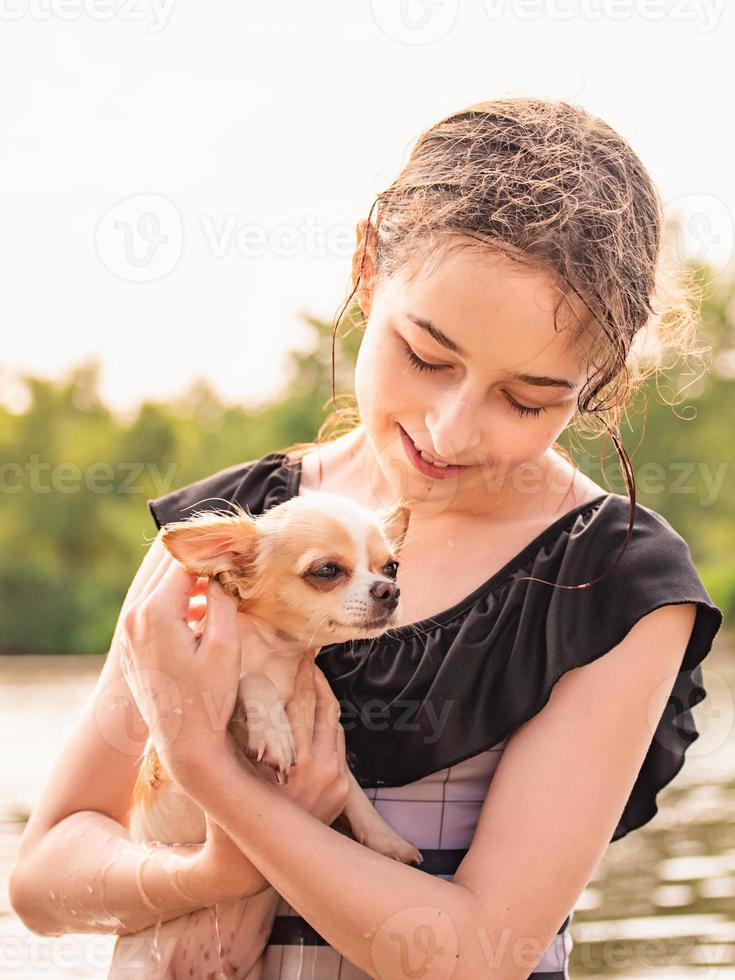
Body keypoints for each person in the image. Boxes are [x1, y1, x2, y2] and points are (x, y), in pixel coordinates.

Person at [10, 98, 723, 979]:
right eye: (427, 356)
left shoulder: (611, 581)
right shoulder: (235, 530)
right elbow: (43, 883)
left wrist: (216, 781)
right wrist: (203, 870)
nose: (452, 429)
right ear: (365, 266)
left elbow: (471, 952)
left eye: (526, 399)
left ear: (600, 380)